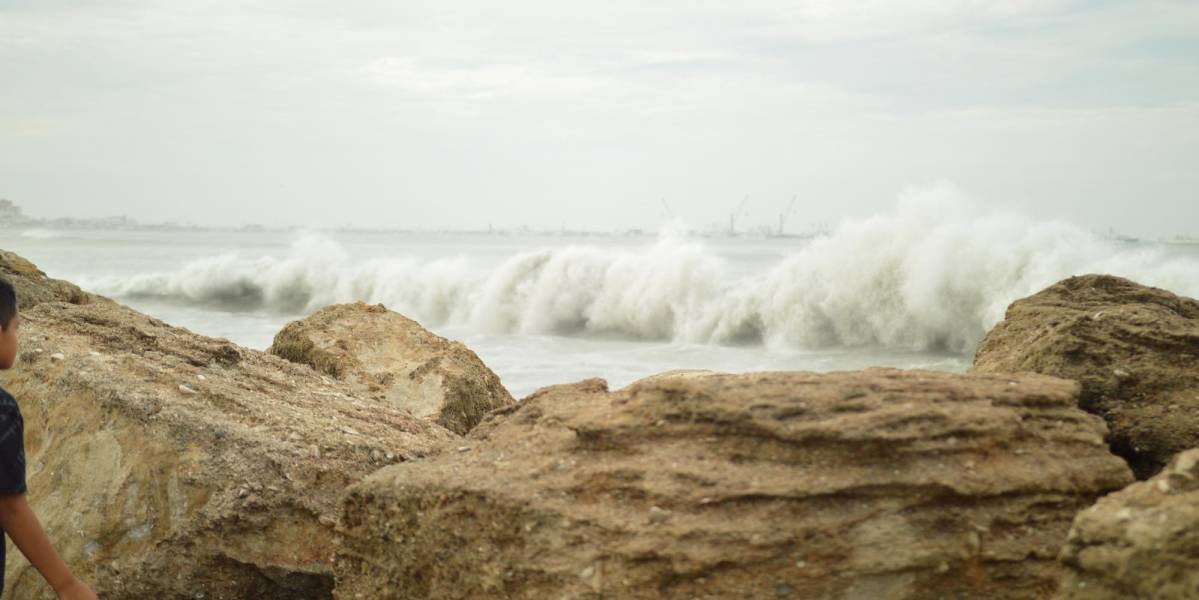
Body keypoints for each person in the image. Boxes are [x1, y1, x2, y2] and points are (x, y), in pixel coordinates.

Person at [0, 279, 96, 600]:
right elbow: (9, 506)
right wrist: (66, 584)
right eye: (15, 328)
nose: (17, 337)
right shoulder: (2, 410)